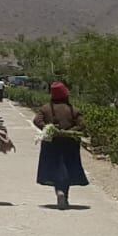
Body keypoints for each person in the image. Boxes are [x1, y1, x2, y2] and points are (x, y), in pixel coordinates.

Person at [34, 81, 90, 209]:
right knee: (67, 169)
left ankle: (59, 191)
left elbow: (37, 120)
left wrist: (48, 129)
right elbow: (82, 124)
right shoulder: (73, 109)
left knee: (55, 169)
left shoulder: (45, 108)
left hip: (51, 143)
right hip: (70, 144)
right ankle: (64, 194)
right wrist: (70, 131)